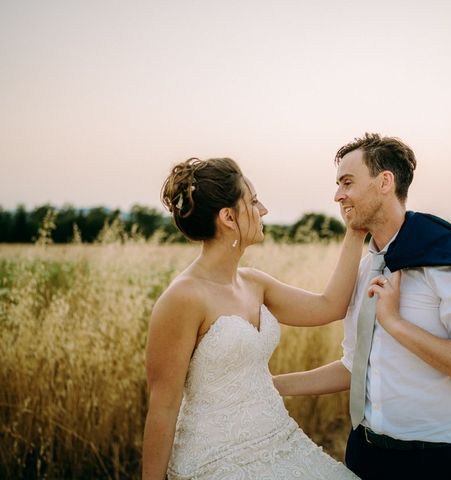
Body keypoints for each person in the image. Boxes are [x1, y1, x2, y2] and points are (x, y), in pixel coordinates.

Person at [274, 133, 451, 480]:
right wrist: (270, 385)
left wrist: (396, 324)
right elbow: (355, 366)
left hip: (438, 465)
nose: (337, 195)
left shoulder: (444, 262)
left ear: (384, 182)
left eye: (347, 182)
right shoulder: (364, 267)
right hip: (366, 455)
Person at [142, 157, 362, 479]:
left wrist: (355, 233)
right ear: (228, 217)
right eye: (254, 201)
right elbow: (163, 406)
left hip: (279, 441)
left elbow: (329, 306)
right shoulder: (182, 298)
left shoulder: (254, 283)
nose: (264, 210)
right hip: (217, 460)